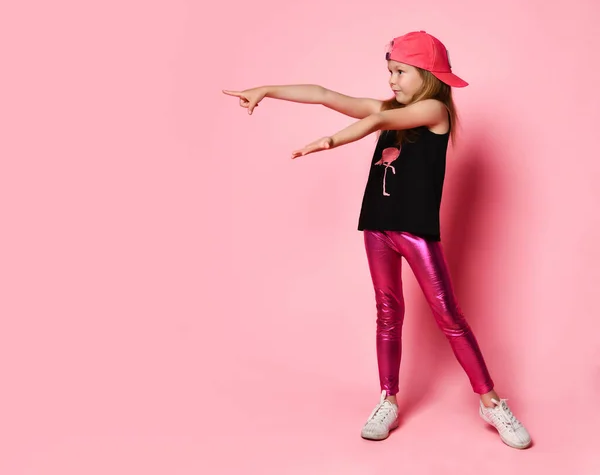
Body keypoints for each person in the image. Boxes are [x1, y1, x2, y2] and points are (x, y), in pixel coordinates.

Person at [222, 31, 532, 449]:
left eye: (401, 72)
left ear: (427, 75)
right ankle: (388, 398)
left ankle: (491, 402)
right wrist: (267, 90)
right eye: (390, 71)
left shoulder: (434, 110)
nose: (392, 80)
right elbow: (323, 93)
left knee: (449, 317)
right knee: (388, 312)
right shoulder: (387, 107)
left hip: (416, 233)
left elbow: (380, 121)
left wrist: (332, 140)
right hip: (377, 229)